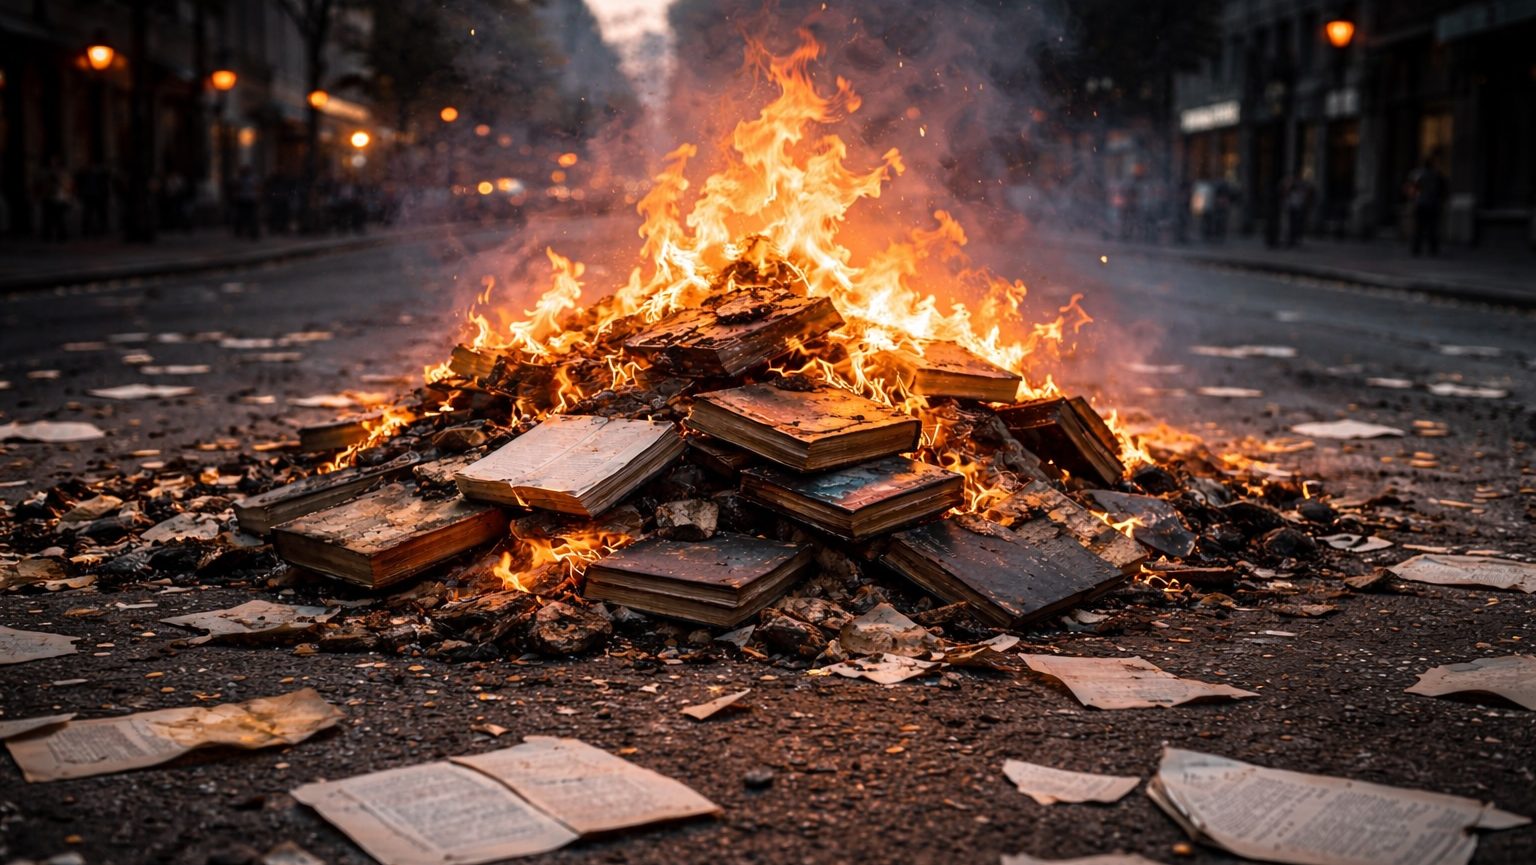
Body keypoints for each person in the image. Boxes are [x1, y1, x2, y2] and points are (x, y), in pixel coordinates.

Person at [1406, 151, 1447, 256]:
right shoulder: (1436, 175)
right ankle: (1432, 249)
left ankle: (1417, 248)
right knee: (1431, 227)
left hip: (1421, 203)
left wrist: (1413, 199)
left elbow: (1412, 188)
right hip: (1431, 204)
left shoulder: (1419, 174)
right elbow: (1442, 189)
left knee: (1419, 227)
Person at [37, 157, 74, 242]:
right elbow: (41, 184)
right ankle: (48, 235)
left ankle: (60, 236)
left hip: (59, 198)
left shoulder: (63, 173)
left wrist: (68, 197)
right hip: (49, 197)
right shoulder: (46, 173)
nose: (53, 164)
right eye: (52, 162)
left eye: (55, 162)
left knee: (58, 218)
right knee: (48, 218)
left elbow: (68, 185)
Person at [232, 165, 260, 239]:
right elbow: (237, 188)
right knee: (241, 216)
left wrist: (257, 196)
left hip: (250, 199)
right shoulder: (240, 178)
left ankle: (253, 232)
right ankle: (241, 231)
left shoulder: (253, 178)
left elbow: (257, 187)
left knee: (252, 216)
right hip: (243, 199)